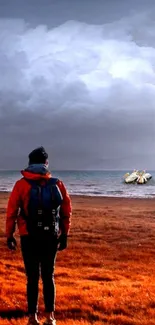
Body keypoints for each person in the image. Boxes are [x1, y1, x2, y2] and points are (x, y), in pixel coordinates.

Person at [6, 147, 72, 325]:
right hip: (51, 236)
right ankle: (50, 318)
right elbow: (66, 211)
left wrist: (9, 235)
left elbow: (12, 211)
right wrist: (64, 234)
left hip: (29, 236)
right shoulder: (57, 184)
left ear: (29, 163)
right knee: (48, 275)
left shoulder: (21, 184)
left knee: (32, 277)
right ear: (46, 164)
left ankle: (32, 318)